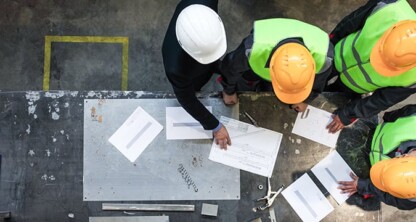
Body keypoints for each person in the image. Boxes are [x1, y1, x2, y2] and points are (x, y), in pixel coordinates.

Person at [325, 0, 416, 133]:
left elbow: (382, 100)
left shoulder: (413, 78)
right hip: (337, 54)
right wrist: (328, 47)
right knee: (315, 80)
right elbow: (349, 23)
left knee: (332, 97)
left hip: (354, 86)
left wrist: (348, 114)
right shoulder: (388, 8)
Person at [219, 18, 334, 112]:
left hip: (299, 37)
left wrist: (305, 100)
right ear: (270, 68)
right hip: (257, 61)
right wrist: (229, 91)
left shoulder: (324, 57)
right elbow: (230, 68)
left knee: (271, 92)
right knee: (245, 85)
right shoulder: (253, 49)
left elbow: (318, 84)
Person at [162, 0, 231, 149]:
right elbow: (187, 99)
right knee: (195, 86)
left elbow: (213, 61)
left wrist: (228, 85)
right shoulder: (176, 67)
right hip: (190, 71)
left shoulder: (207, 7)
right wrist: (216, 127)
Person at [338, 104, 416, 210]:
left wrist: (364, 185)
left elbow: (388, 195)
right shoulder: (413, 116)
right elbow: (390, 116)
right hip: (372, 133)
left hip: (369, 162)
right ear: (404, 156)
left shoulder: (410, 197)